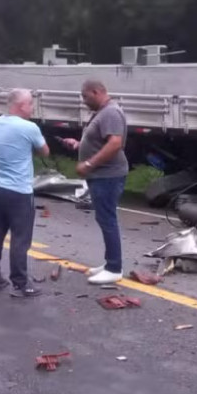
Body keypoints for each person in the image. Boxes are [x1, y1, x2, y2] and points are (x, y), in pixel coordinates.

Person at [61, 80, 128, 285]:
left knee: (107, 219)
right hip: (101, 176)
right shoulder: (102, 112)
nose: (84, 101)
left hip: (108, 175)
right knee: (103, 218)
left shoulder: (110, 112)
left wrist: (88, 163)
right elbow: (100, 140)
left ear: (96, 92)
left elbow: (115, 143)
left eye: (85, 96)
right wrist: (80, 144)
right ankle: (109, 263)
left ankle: (114, 268)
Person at [0, 88, 50, 298]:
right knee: (20, 239)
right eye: (30, 104)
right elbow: (45, 151)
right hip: (19, 192)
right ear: (21, 106)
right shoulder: (29, 128)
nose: (32, 108)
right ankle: (20, 284)